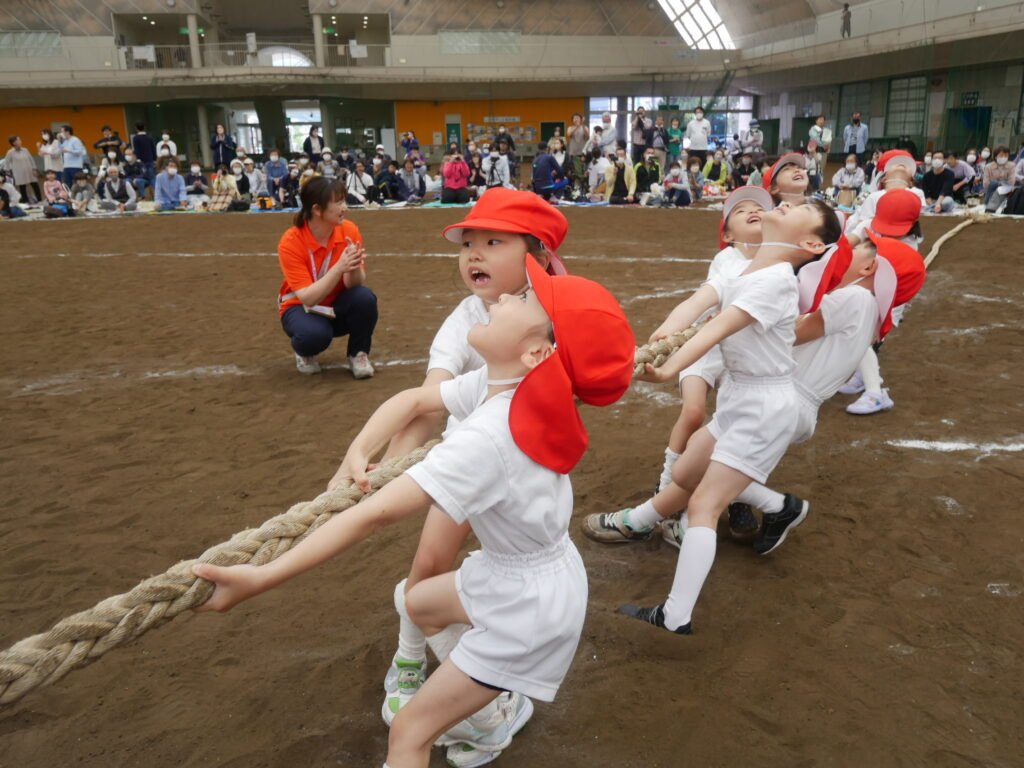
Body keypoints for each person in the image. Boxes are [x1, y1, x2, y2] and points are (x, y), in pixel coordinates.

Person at [195, 236, 633, 768]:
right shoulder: (507, 386)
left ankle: (490, 708)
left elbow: (372, 515)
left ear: (536, 352)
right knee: (417, 600)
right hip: (520, 576)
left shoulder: (491, 435)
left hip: (530, 606)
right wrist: (358, 453)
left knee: (408, 733)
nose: (508, 299)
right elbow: (420, 401)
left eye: (527, 300)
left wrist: (261, 577)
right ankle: (493, 708)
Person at [614, 200, 844, 635]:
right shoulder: (737, 268)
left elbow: (715, 329)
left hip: (765, 408)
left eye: (803, 207)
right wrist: (657, 340)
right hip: (740, 398)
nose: (786, 202)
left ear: (811, 243)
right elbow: (694, 305)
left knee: (704, 504)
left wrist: (666, 370)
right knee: (685, 470)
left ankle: (675, 614)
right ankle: (781, 506)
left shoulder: (776, 282)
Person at [584, 186, 773, 544]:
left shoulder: (781, 264)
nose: (752, 211)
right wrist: (664, 337)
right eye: (740, 210)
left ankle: (736, 498)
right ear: (728, 234)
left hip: (745, 354)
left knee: (741, 427)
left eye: (760, 208)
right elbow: (699, 302)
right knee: (694, 413)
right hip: (706, 344)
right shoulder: (728, 261)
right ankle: (669, 478)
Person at [741, 230, 925, 554]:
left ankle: (778, 507)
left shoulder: (850, 299)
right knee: (735, 462)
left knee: (709, 466)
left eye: (857, 249)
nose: (845, 253)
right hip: (797, 404)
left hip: (780, 397)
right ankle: (742, 504)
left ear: (869, 268)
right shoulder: (868, 307)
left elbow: (789, 335)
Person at [274, 176, 378, 377]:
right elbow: (308, 298)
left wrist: (353, 266)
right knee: (314, 335)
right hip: (300, 307)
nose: (345, 207)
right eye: (338, 202)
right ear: (317, 209)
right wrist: (340, 267)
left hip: (334, 305)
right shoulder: (291, 241)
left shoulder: (349, 230)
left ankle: (358, 353)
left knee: (365, 298)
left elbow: (353, 284)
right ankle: (304, 352)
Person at [838, 189, 926, 416]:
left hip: (888, 297)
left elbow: (895, 284)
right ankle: (863, 376)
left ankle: (876, 393)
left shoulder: (910, 245)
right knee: (859, 338)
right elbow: (849, 243)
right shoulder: (869, 224)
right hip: (864, 287)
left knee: (864, 339)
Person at [845, 150, 925, 247]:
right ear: (883, 178)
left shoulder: (915, 194)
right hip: (872, 242)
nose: (900, 166)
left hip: (902, 241)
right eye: (894, 164)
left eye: (906, 165)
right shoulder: (873, 197)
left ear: (911, 181)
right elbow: (862, 228)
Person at [4, 136, 41, 204]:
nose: (20, 141)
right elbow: (7, 163)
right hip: (19, 173)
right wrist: (8, 173)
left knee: (35, 185)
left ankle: (40, 200)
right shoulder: (10, 152)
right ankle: (26, 202)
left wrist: (34, 169)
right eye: (18, 140)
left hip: (30, 171)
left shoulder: (25, 150)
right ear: (14, 143)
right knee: (22, 187)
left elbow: (31, 159)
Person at [58, 125, 87, 189]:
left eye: (62, 131)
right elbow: (60, 149)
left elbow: (79, 151)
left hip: (75, 166)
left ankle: (78, 197)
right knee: (67, 183)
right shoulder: (65, 141)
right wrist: (59, 141)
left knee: (77, 183)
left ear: (67, 132)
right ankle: (69, 197)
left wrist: (69, 151)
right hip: (66, 165)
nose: (60, 133)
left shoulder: (75, 140)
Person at [131, 122, 157, 188]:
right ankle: (156, 193)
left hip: (141, 161)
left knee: (143, 177)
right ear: (144, 128)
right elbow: (153, 148)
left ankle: (143, 195)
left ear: (136, 128)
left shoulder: (136, 138)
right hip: (150, 160)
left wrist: (138, 158)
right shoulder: (149, 137)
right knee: (152, 177)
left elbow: (137, 150)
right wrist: (154, 159)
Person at [566, 112, 589, 184]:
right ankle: (575, 186)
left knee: (583, 170)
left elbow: (587, 136)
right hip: (573, 153)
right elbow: (569, 134)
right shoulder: (570, 127)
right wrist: (576, 126)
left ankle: (583, 185)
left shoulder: (585, 127)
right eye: (574, 118)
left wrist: (582, 125)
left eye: (577, 118)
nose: (575, 119)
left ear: (581, 119)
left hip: (583, 153)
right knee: (574, 171)